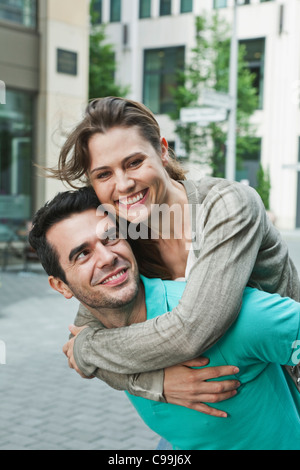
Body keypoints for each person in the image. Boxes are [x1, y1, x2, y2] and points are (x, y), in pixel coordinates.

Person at [48, 96, 300, 405]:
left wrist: (89, 348)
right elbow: (83, 334)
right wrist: (158, 383)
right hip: (225, 405)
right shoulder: (121, 234)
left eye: (134, 162)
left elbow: (192, 330)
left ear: (163, 151)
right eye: (104, 174)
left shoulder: (227, 205)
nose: (124, 184)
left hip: (287, 386)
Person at [29, 187, 300, 450]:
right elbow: (79, 352)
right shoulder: (98, 337)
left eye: (110, 238)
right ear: (61, 286)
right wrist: (154, 382)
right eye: (83, 254)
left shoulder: (229, 316)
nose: (107, 257)